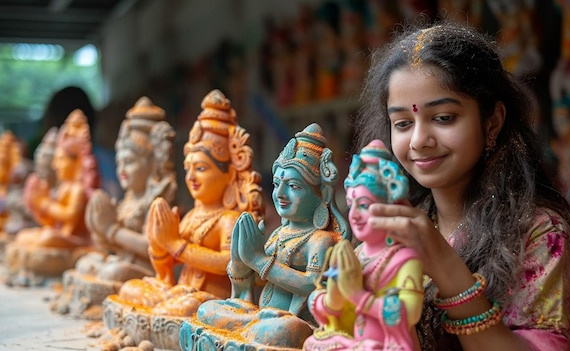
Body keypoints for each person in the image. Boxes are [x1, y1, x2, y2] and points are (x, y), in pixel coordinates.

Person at [351, 20, 570, 350]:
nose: (418, 140)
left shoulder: (539, 235)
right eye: (402, 123)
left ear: (492, 121)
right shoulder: (397, 229)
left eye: (443, 117)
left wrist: (443, 264)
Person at [100, 89, 264, 350]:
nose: (191, 177)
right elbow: (165, 268)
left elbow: (230, 264)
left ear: (229, 174)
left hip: (213, 301)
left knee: (190, 307)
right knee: (132, 289)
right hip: (179, 291)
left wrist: (176, 244)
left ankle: (163, 326)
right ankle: (161, 320)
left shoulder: (231, 219)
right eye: (187, 168)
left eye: (201, 168)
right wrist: (159, 243)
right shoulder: (191, 216)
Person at [179, 123, 351, 350]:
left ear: (322, 194)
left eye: (293, 186)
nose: (280, 194)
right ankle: (246, 331)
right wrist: (241, 262)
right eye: (278, 184)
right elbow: (257, 280)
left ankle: (241, 335)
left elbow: (313, 285)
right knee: (206, 309)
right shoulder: (280, 234)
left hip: (296, 325)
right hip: (261, 318)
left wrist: (258, 260)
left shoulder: (322, 239)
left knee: (287, 330)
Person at [50, 96, 177, 318]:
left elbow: (154, 246)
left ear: (152, 163)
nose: (122, 169)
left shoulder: (157, 200)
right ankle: (95, 303)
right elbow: (109, 245)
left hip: (148, 272)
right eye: (120, 161)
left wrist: (112, 230)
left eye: (129, 161)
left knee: (113, 271)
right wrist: (98, 226)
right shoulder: (128, 198)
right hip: (121, 259)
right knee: (86, 264)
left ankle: (102, 305)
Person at [304, 139, 424, 350]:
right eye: (351, 205)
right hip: (352, 342)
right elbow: (320, 296)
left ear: (390, 208)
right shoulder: (354, 255)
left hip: (387, 345)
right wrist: (332, 299)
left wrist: (358, 296)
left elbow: (409, 312)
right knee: (313, 342)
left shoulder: (404, 259)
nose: (355, 215)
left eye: (365, 205)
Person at [5, 109, 100, 286]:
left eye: (61, 159)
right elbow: (51, 222)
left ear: (75, 162)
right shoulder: (62, 187)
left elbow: (70, 216)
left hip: (76, 239)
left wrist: (45, 204)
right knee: (23, 236)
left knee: (47, 238)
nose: (56, 165)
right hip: (60, 232)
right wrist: (37, 206)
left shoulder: (77, 189)